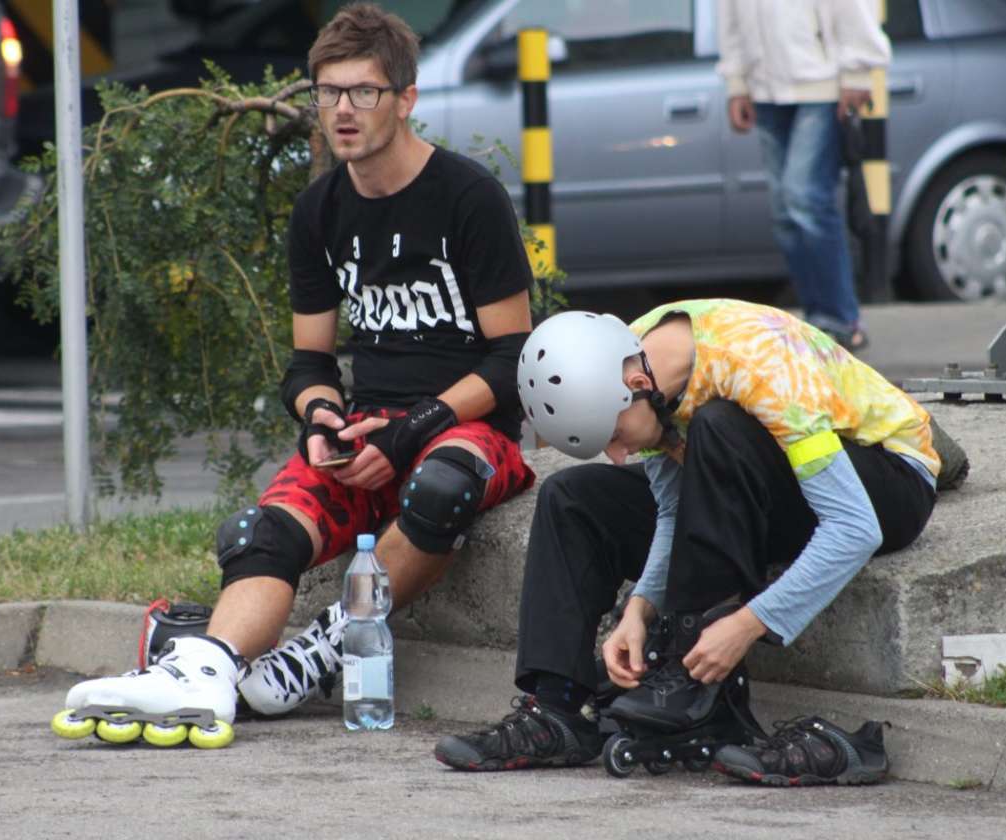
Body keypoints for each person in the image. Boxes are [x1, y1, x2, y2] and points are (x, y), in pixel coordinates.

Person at [56, 2, 536, 746]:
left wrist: (413, 432)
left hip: (465, 426)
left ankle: (326, 645)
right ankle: (207, 673)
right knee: (255, 532)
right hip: (369, 423)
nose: (343, 111)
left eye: (364, 92)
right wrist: (323, 421)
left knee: (441, 490)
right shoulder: (321, 209)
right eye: (328, 92)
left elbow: (512, 359)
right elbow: (310, 363)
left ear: (406, 99)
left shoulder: (468, 198)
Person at [435, 299, 940, 785]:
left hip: (886, 481)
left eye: (612, 433)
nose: (616, 454)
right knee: (574, 496)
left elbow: (854, 528)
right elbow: (675, 510)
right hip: (760, 483)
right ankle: (557, 709)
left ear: (636, 385)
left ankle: (690, 673)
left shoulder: (757, 365)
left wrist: (747, 623)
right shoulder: (635, 355)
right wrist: (639, 609)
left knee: (716, 426)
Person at [718, 0, 891, 351]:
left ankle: (842, 318)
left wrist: (857, 72)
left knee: (806, 199)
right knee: (785, 213)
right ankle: (818, 320)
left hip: (821, 83)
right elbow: (729, 12)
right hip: (764, 88)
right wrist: (737, 83)